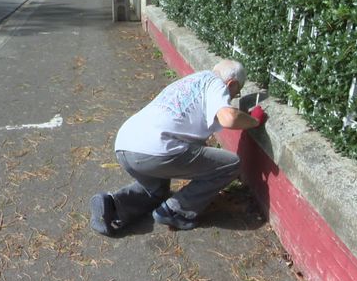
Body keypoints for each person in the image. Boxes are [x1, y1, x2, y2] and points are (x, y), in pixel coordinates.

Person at [89, 59, 267, 236]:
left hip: (125, 144)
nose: (232, 98)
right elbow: (229, 118)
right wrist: (254, 121)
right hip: (156, 151)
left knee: (156, 190)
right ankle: (175, 211)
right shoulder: (217, 85)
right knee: (231, 164)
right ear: (232, 83)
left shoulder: (192, 81)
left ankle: (112, 207)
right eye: (236, 93)